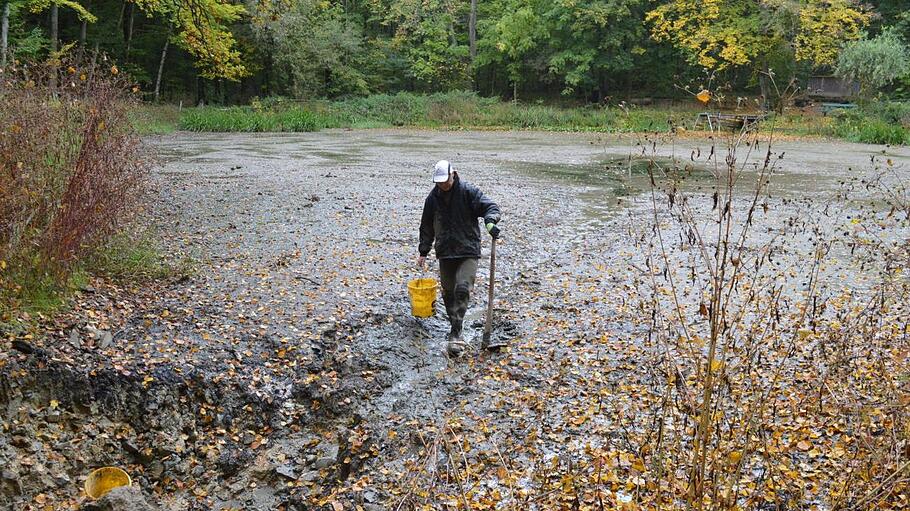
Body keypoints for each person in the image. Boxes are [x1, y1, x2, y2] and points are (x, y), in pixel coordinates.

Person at [417, 160, 501, 358]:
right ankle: (456, 326)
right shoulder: (432, 199)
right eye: (439, 183)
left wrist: (490, 222)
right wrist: (423, 251)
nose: (443, 186)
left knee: (462, 288)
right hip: (445, 251)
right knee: (448, 294)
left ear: (453, 174)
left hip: (468, 249)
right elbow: (426, 226)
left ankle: (455, 333)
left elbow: (491, 206)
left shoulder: (468, 192)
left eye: (445, 181)